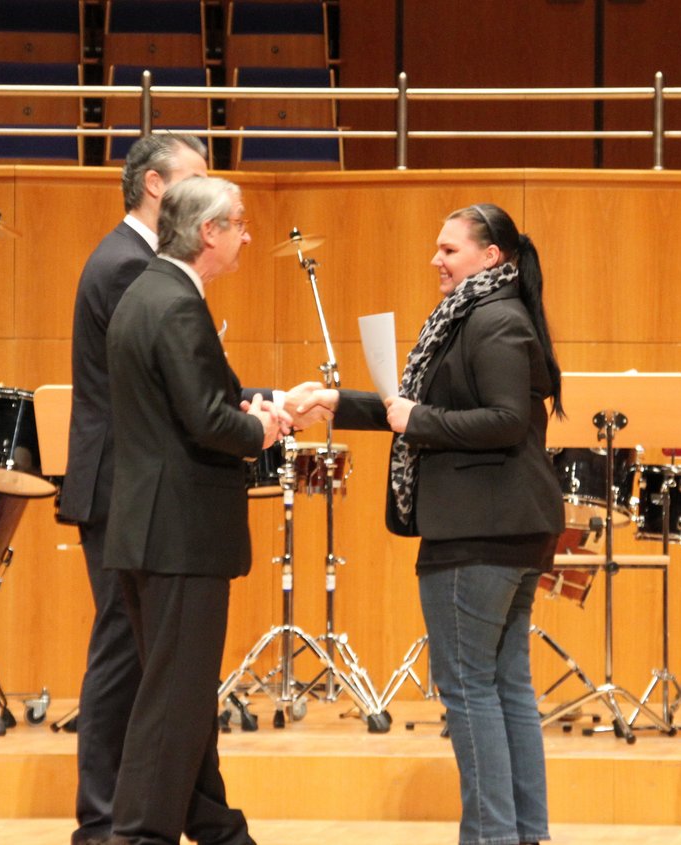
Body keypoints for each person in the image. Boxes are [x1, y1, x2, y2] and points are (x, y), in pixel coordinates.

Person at [287, 203, 564, 845]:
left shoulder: (494, 319)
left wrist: (420, 420)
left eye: (449, 249)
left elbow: (502, 421)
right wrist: (334, 401)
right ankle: (523, 835)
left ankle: (493, 837)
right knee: (505, 687)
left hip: (481, 530)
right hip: (502, 526)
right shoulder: (479, 314)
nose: (435, 259)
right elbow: (411, 409)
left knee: (469, 689)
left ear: (490, 257)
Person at [104, 176, 287, 845]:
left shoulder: (148, 292)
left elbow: (182, 405)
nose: (247, 235)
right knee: (173, 704)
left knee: (182, 699)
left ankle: (218, 830)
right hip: (179, 533)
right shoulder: (177, 303)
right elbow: (208, 420)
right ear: (209, 231)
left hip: (150, 527)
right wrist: (263, 429)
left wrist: (260, 409)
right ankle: (138, 836)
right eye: (239, 222)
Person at [59, 133, 208, 845]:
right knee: (123, 653)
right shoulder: (128, 266)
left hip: (126, 482)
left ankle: (138, 813)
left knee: (135, 652)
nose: (204, 191)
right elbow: (160, 388)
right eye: (194, 178)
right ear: (155, 185)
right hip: (123, 484)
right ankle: (101, 820)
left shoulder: (132, 259)